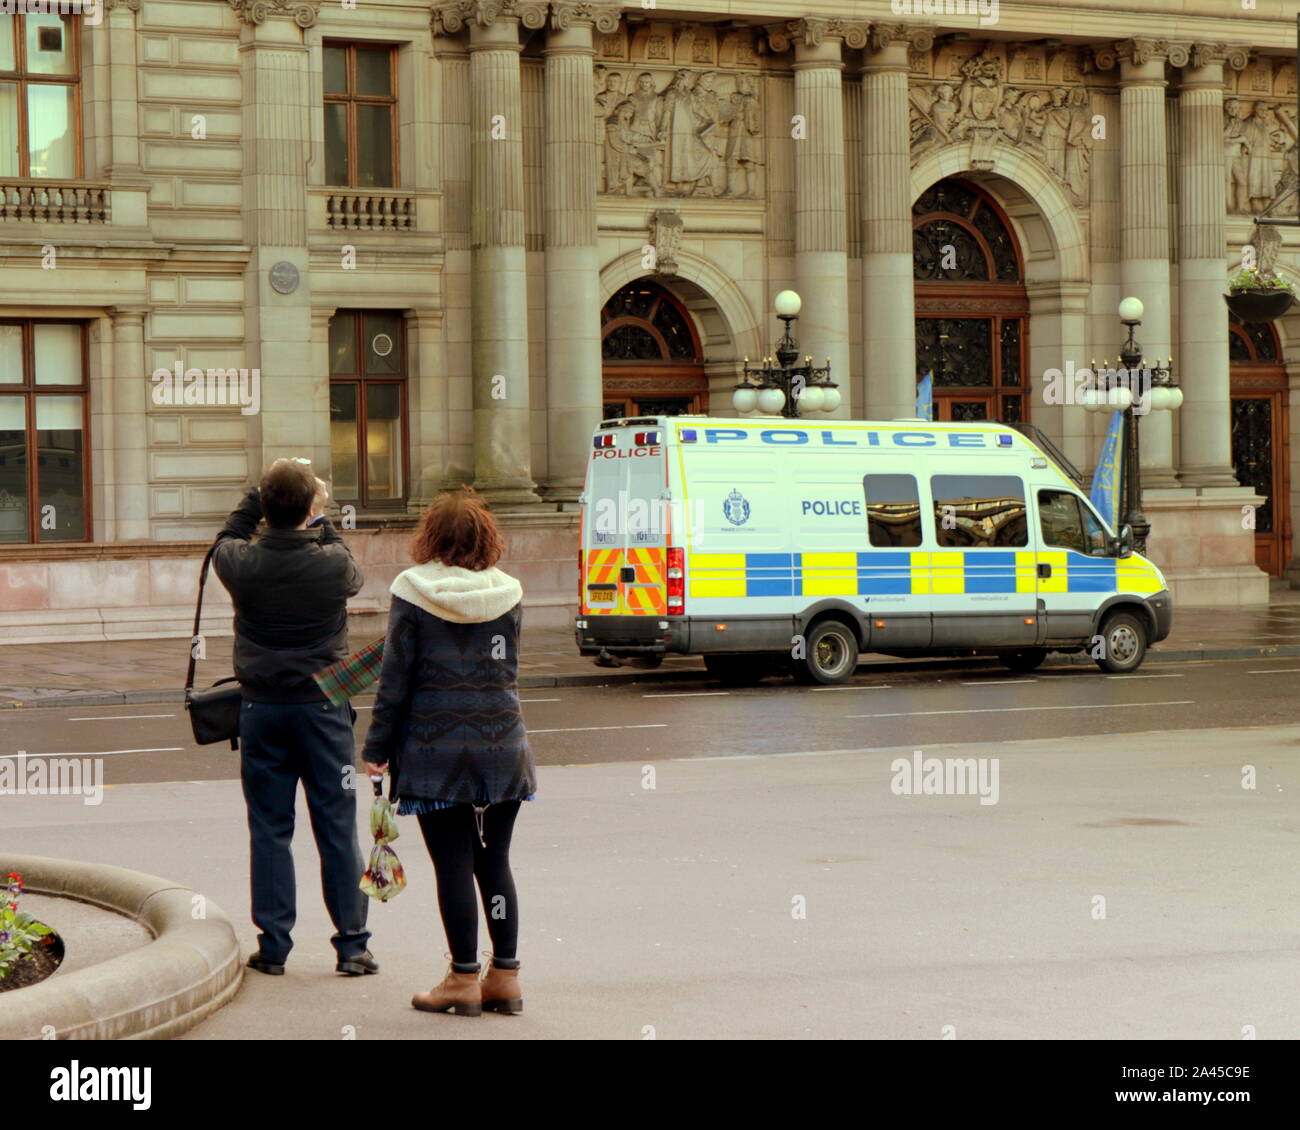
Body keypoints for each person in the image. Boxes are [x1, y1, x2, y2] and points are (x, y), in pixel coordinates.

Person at [362, 487, 537, 1018]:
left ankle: (462, 980)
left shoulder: (412, 590)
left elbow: (396, 678)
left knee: (454, 866)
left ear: (431, 537)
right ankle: (504, 976)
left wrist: (377, 747)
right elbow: (505, 669)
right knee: (495, 861)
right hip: (503, 743)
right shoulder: (509, 591)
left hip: (435, 748)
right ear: (487, 537)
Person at [212, 458, 374, 978]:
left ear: (265, 506)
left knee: (269, 829)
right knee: (337, 828)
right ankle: (352, 946)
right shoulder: (331, 565)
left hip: (260, 708)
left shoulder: (240, 562)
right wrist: (318, 514)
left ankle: (274, 947)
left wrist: (258, 495)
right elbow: (346, 561)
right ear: (309, 509)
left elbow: (226, 536)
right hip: (323, 707)